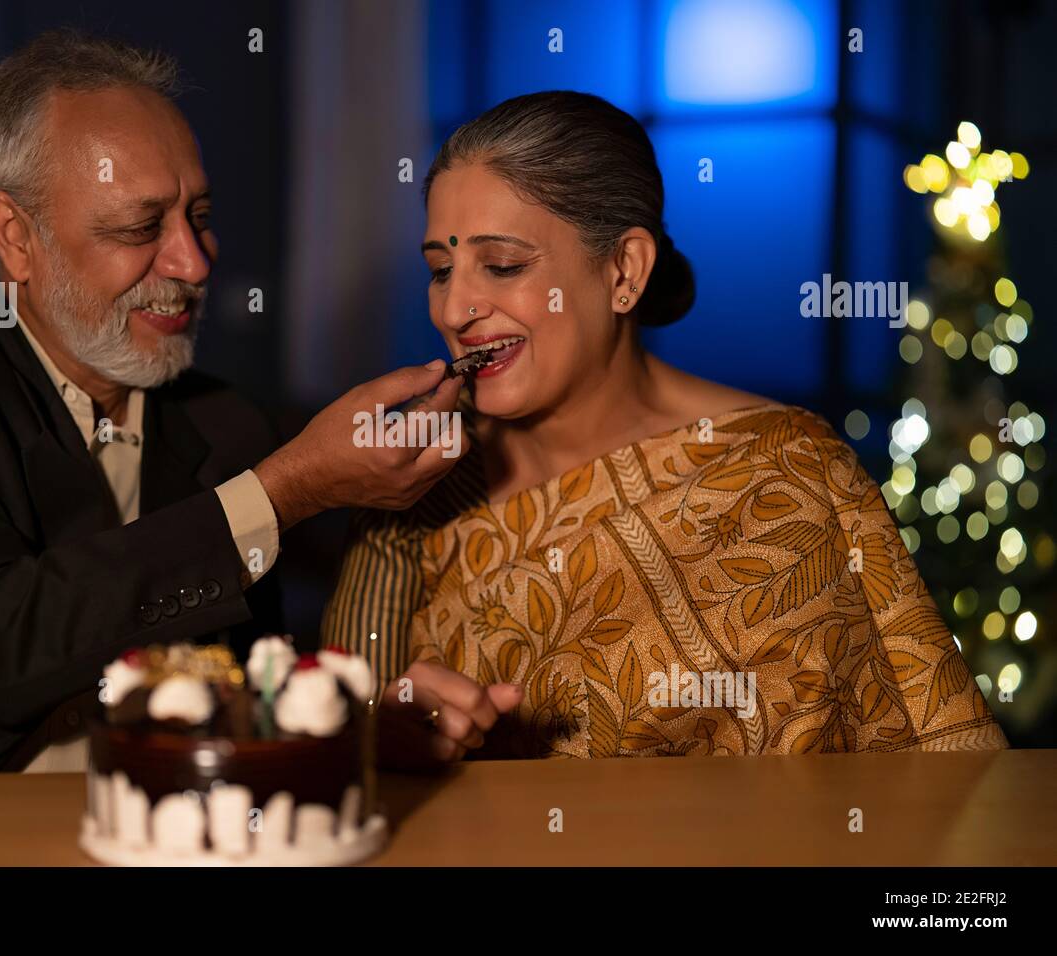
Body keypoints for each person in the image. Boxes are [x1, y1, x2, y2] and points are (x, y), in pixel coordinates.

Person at [0, 30, 475, 775]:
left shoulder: (223, 423)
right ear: (15, 237)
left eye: (199, 215)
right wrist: (283, 491)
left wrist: (357, 729)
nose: (194, 263)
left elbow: (239, 696)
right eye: (140, 228)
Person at [323, 91, 1009, 763]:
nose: (455, 308)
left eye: (502, 266)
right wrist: (389, 724)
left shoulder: (783, 465)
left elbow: (926, 761)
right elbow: (334, 736)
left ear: (624, 270)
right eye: (440, 272)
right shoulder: (414, 476)